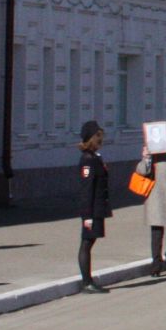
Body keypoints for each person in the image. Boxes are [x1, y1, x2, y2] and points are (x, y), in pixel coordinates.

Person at [135, 126, 166, 277]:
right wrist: (146, 157)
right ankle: (156, 263)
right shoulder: (153, 155)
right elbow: (141, 171)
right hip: (156, 197)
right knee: (157, 231)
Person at [75, 121, 112, 294]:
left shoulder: (95, 157)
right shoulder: (87, 160)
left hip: (97, 207)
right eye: (99, 136)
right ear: (92, 138)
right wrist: (87, 216)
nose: (101, 140)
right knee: (86, 243)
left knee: (89, 243)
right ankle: (86, 282)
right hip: (91, 209)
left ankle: (88, 280)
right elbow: (86, 189)